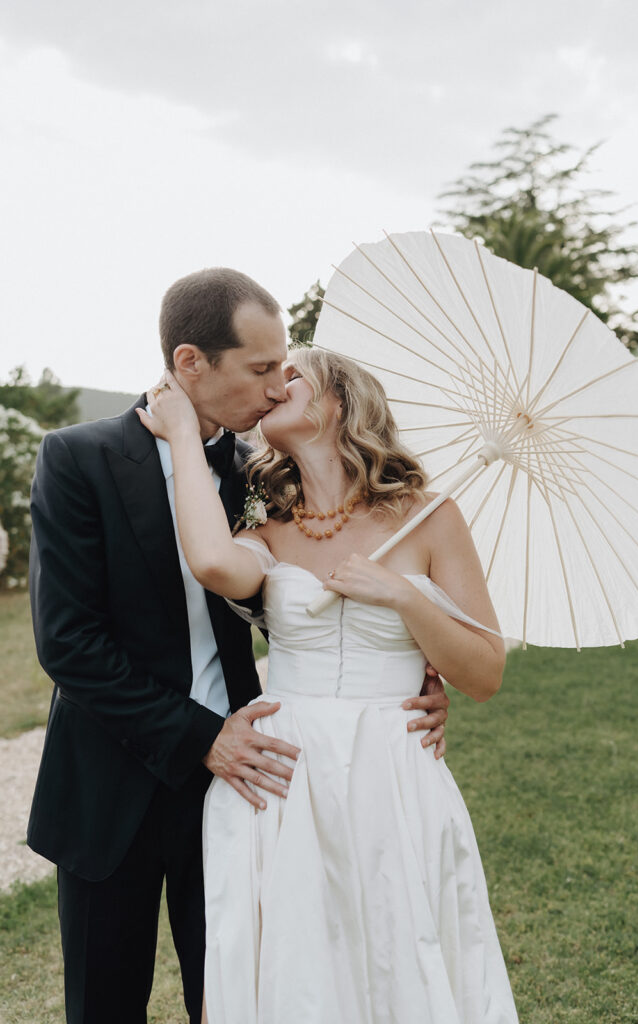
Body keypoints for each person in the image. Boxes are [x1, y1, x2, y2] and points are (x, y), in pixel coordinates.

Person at [26, 268, 450, 1024]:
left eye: (282, 368)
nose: (274, 387)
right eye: (259, 369)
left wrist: (405, 666)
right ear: (191, 363)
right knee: (103, 1003)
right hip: (110, 780)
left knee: (235, 997)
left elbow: (310, 592)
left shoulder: (262, 476)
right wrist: (202, 737)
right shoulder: (77, 457)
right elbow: (69, 643)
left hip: (244, 784)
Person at [138, 347, 519, 1023]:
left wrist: (405, 598)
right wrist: (178, 436)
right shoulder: (270, 532)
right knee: (295, 967)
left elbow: (484, 673)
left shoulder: (431, 518)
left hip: (391, 771)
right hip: (281, 775)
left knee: (397, 949)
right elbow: (210, 562)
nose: (273, 385)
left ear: (337, 402)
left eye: (293, 376)